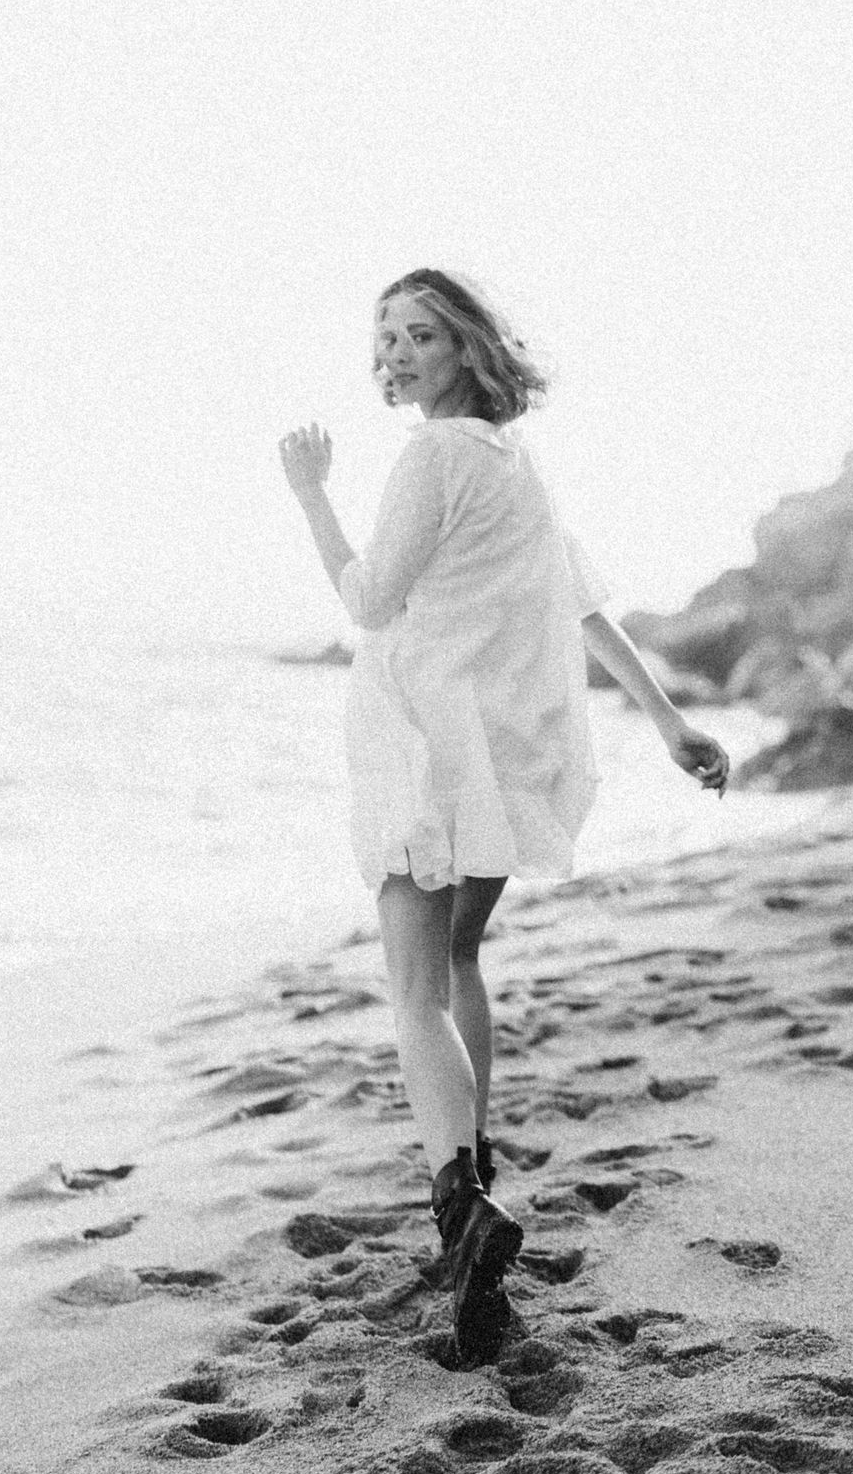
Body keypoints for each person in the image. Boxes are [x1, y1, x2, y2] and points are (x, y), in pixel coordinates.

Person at [279, 269, 730, 1366]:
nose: (394, 352)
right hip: (493, 753)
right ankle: (473, 1168)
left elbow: (370, 600)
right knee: (463, 958)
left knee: (415, 991)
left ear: (469, 349)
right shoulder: (515, 463)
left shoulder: (434, 455)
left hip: (425, 745)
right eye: (383, 332)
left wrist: (310, 493)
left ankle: (462, 1206)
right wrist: (668, 724)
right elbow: (579, 606)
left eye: (419, 333)